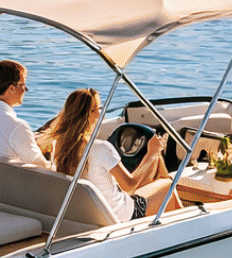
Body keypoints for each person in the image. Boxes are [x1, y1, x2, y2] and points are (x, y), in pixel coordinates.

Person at [46, 88, 175, 220]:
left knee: (157, 178)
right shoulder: (102, 148)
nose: (100, 113)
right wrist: (151, 153)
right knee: (168, 185)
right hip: (122, 214)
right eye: (97, 108)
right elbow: (129, 186)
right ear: (91, 114)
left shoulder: (59, 146)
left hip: (90, 214)